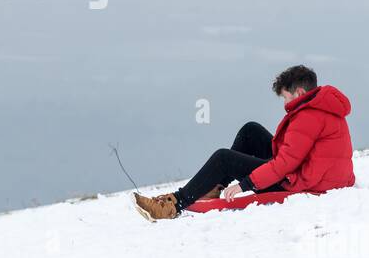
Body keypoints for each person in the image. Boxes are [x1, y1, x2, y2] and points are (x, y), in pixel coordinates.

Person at [133, 65, 355, 221]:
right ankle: (212, 188)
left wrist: (245, 184)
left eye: (286, 98)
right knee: (251, 131)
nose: (285, 103)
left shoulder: (308, 116)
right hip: (315, 175)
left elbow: (285, 164)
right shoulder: (323, 107)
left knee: (224, 158)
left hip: (302, 182)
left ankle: (173, 205)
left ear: (299, 92)